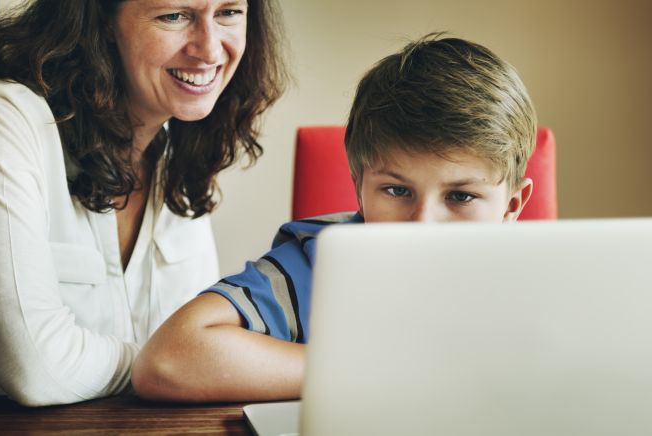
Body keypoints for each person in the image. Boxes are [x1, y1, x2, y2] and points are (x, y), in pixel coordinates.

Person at [131, 33, 537, 402]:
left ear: (511, 208)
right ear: (359, 187)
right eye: (397, 190)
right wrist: (383, 373)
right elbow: (167, 361)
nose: (423, 225)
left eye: (461, 196)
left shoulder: (547, 276)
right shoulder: (315, 263)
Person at [0, 0, 287, 406]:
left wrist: (201, 360)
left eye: (229, 13)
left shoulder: (176, 143)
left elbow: (197, 332)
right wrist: (179, 366)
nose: (209, 49)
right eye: (174, 16)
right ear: (100, 21)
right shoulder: (1, 117)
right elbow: (38, 370)